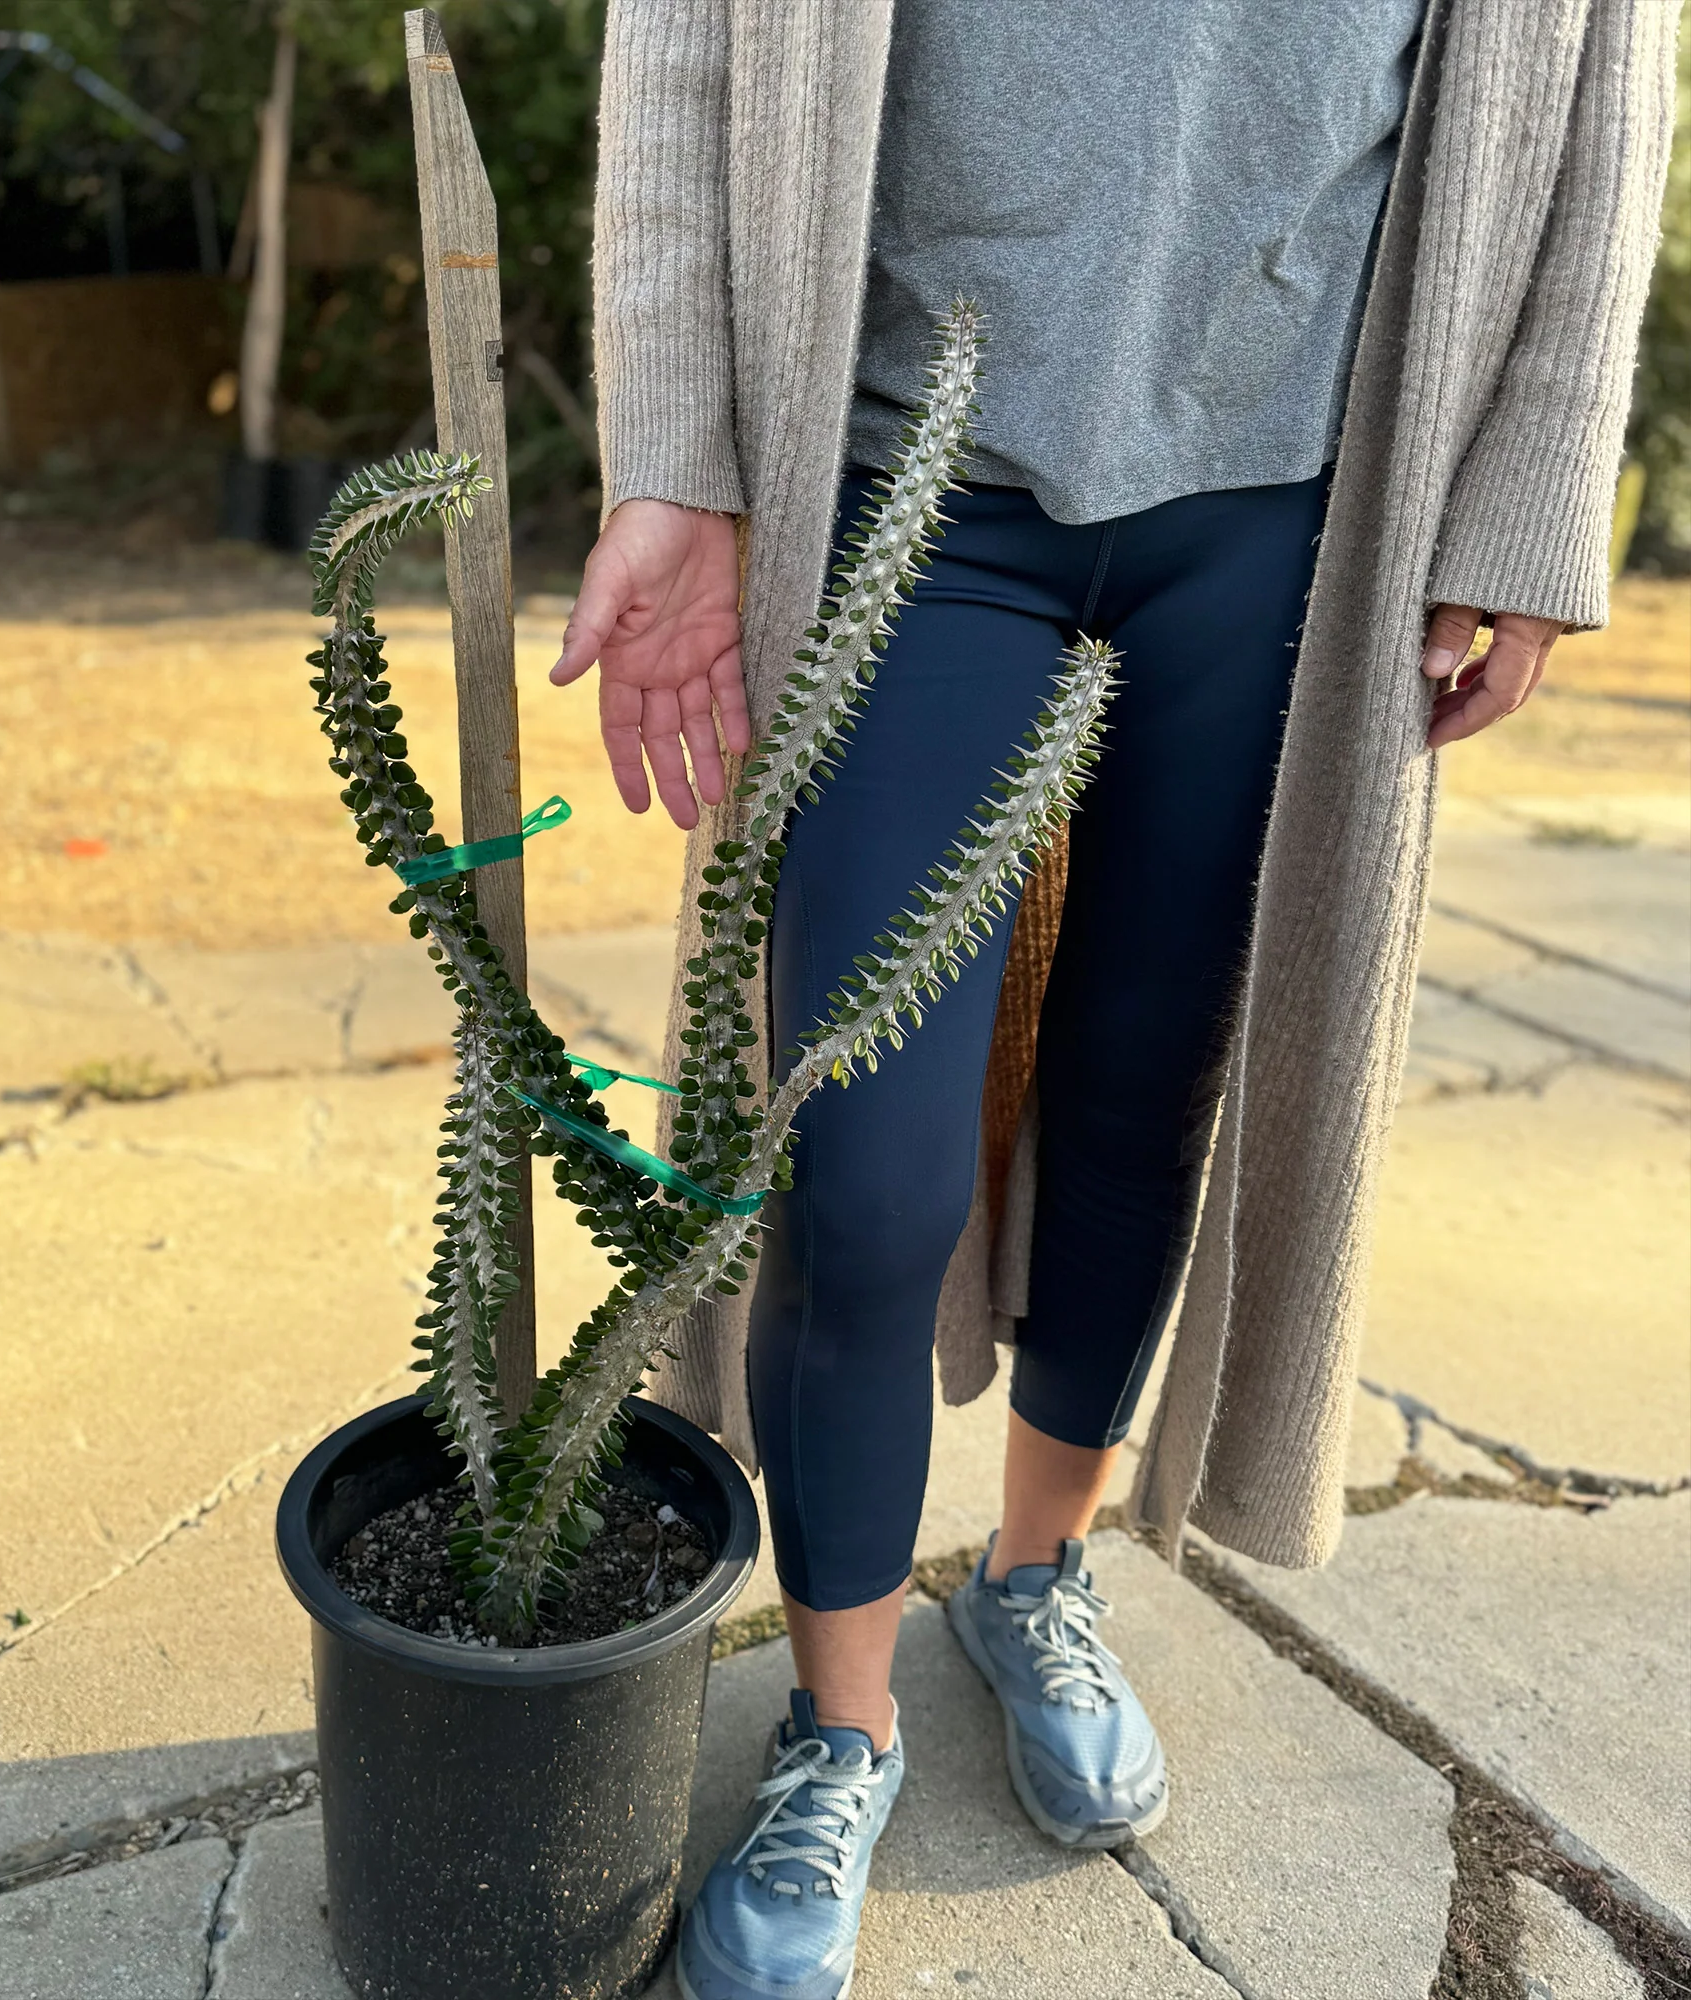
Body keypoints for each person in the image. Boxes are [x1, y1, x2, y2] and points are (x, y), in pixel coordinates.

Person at [554, 4, 1674, 1994]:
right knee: (861, 1158)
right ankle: (839, 1724)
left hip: (1290, 500)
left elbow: (1596, 72)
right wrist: (678, 449)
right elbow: (688, 55)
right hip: (910, 482)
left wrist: (1528, 488)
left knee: (1146, 1091)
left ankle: (1033, 1567)